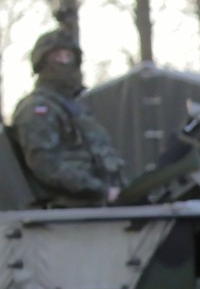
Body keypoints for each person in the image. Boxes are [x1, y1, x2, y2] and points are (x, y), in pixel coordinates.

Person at [11, 23, 125, 207]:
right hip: (67, 210)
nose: (65, 62)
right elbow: (45, 164)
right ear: (41, 62)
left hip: (99, 205)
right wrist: (99, 189)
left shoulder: (77, 107)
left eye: (69, 56)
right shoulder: (38, 108)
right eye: (57, 57)